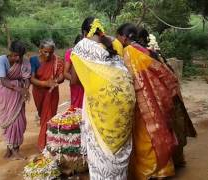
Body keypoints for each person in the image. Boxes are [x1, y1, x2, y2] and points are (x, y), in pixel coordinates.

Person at [70, 17, 136, 179]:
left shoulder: (82, 46)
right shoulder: (114, 44)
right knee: (118, 147)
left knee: (101, 151)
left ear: (84, 33)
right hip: (126, 101)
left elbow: (74, 80)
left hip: (103, 104)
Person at [117, 23, 180, 179]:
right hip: (154, 97)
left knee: (143, 135)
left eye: (118, 37)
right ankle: (162, 169)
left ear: (124, 37)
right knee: (158, 131)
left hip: (140, 100)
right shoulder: (144, 50)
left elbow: (126, 78)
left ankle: (147, 171)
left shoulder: (127, 53)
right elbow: (162, 71)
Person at [137, 27, 197, 168]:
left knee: (163, 131)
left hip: (162, 98)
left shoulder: (144, 55)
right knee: (174, 128)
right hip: (171, 96)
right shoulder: (154, 54)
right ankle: (177, 160)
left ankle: (165, 164)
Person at [0, 40, 31, 160]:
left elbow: (27, 78)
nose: (18, 59)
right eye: (15, 55)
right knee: (9, 122)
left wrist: (26, 89)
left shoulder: (25, 60)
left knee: (19, 122)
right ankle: (9, 149)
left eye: (20, 56)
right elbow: (3, 80)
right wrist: (18, 88)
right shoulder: (2, 59)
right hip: (6, 94)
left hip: (19, 96)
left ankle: (16, 150)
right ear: (10, 52)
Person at [30, 39, 64, 151]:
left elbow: (61, 76)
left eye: (51, 52)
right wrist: (45, 83)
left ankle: (45, 143)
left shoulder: (57, 60)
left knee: (48, 117)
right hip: (39, 92)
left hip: (52, 92)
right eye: (45, 52)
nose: (48, 55)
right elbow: (32, 79)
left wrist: (55, 82)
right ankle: (48, 138)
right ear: (40, 50)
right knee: (42, 115)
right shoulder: (34, 60)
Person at [63, 34, 84, 108]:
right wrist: (78, 81)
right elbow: (65, 73)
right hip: (76, 86)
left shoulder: (90, 53)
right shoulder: (70, 53)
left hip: (88, 85)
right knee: (76, 109)